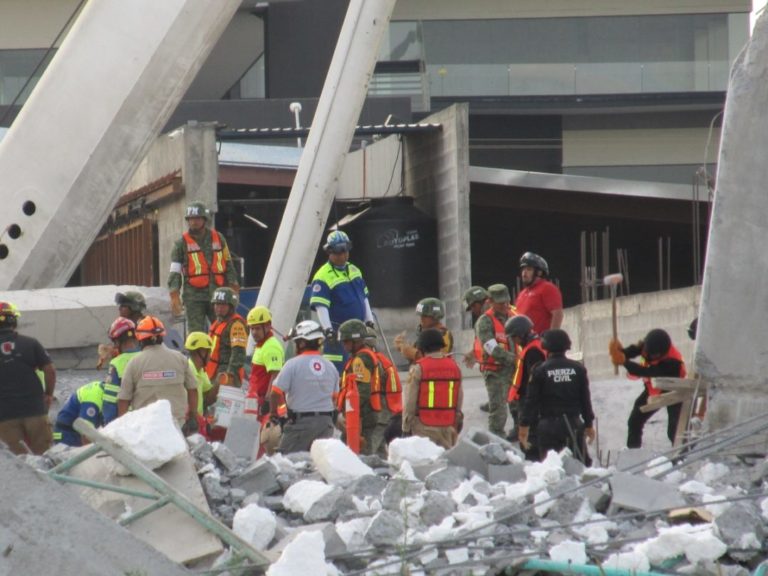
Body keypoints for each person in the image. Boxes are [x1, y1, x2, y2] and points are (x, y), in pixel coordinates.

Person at [520, 329, 595, 465]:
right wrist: (589, 424)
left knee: (551, 467)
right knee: (581, 465)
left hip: (548, 426)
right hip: (573, 424)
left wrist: (524, 426)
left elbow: (531, 401)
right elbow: (585, 399)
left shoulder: (539, 370)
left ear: (545, 346)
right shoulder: (578, 369)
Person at [117, 316, 198, 433]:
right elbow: (193, 389)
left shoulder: (134, 363)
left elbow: (123, 400)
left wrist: (123, 427)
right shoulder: (180, 359)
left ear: (140, 339)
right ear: (162, 336)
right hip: (177, 429)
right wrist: (193, 416)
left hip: (145, 430)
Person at [168, 201, 240, 333]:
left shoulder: (219, 238)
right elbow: (175, 272)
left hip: (218, 295)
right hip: (194, 297)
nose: (194, 222)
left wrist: (233, 285)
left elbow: (228, 263)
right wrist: (174, 294)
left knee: (223, 330)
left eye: (197, 218)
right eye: (191, 219)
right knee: (196, 334)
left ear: (204, 219)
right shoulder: (181, 244)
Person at [310, 230, 375, 372]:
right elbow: (321, 306)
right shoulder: (322, 276)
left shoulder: (354, 270)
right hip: (338, 335)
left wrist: (369, 321)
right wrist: (328, 330)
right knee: (338, 371)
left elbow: (364, 298)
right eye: (340, 251)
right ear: (330, 251)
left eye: (346, 250)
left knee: (362, 369)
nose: (344, 255)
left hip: (358, 333)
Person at [610, 328, 686, 448]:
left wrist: (624, 362)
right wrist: (621, 353)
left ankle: (682, 454)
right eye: (648, 352)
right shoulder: (648, 346)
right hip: (654, 387)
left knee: (674, 430)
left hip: (675, 390)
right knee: (634, 420)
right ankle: (633, 452)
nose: (649, 356)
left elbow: (646, 371)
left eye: (653, 355)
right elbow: (636, 350)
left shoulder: (672, 362)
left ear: (662, 352)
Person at [270, 320, 339, 454]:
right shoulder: (331, 367)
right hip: (326, 425)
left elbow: (275, 393)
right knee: (318, 463)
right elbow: (334, 399)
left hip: (300, 425)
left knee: (286, 462)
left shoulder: (292, 365)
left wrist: (275, 414)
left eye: (296, 342)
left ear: (302, 343)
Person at [0, 302, 55, 455]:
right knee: (45, 457)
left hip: (4, 415)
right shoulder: (30, 343)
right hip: (34, 410)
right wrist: (48, 394)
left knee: (18, 462)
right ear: (14, 321)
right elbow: (50, 371)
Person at [338, 319, 394, 456]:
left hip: (368, 416)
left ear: (356, 341)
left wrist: (350, 411)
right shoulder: (364, 356)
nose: (344, 345)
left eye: (346, 341)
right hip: (376, 415)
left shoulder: (361, 359)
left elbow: (362, 390)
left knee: (364, 455)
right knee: (379, 456)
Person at [402, 328, 463, 449]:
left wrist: (406, 427)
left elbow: (410, 401)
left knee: (425, 458)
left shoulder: (419, 368)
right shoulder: (454, 367)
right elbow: (459, 397)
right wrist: (457, 417)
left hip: (423, 426)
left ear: (422, 348)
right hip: (447, 425)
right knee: (445, 459)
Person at [473, 284, 517, 437]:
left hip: (515, 369)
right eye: (500, 303)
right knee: (498, 409)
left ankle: (519, 432)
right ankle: (496, 438)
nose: (505, 305)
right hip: (496, 371)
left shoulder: (513, 316)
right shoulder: (485, 321)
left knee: (518, 404)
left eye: (506, 302)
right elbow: (489, 346)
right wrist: (512, 358)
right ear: (490, 302)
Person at [505, 315, 546, 459]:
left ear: (521, 334)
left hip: (531, 405)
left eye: (514, 337)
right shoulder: (534, 346)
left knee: (530, 444)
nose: (513, 341)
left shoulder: (532, 351)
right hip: (530, 403)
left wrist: (527, 414)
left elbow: (533, 384)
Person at [246, 305, 285, 417]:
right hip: (258, 400)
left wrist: (268, 401)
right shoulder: (261, 345)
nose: (254, 332)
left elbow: (275, 375)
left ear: (268, 326)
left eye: (257, 328)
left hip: (267, 403)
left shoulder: (271, 347)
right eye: (252, 328)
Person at [205, 287, 247, 389]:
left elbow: (238, 354)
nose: (219, 308)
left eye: (223, 305)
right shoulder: (218, 322)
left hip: (226, 374)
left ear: (231, 307)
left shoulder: (237, 325)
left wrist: (230, 375)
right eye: (217, 304)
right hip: (213, 372)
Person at [103, 317, 141, 425]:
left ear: (117, 342)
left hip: (129, 421)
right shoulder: (146, 356)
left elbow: (110, 400)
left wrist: (109, 426)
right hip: (149, 416)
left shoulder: (116, 363)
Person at [515, 252, 563, 335]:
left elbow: (557, 314)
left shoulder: (547, 288)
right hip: (525, 342)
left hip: (541, 341)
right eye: (523, 269)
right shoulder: (521, 294)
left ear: (539, 272)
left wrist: (551, 338)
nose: (524, 273)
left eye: (528, 269)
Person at [393, 298, 453, 364]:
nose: (421, 319)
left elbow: (437, 359)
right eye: (421, 315)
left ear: (435, 316)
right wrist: (402, 347)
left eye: (425, 316)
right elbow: (416, 360)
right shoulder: (424, 333)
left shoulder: (444, 334)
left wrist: (412, 353)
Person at [97, 291, 146, 369]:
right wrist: (110, 351)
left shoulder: (145, 326)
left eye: (123, 306)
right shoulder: (123, 326)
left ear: (134, 307)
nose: (119, 309)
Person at [53, 381, 105, 447]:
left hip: (70, 431)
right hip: (66, 434)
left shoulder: (101, 388)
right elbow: (86, 434)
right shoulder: (93, 401)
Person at [184, 332, 217, 418]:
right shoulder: (187, 371)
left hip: (198, 420)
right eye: (209, 351)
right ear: (202, 352)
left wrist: (219, 383)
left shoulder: (201, 370)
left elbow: (207, 396)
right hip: (189, 420)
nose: (210, 355)